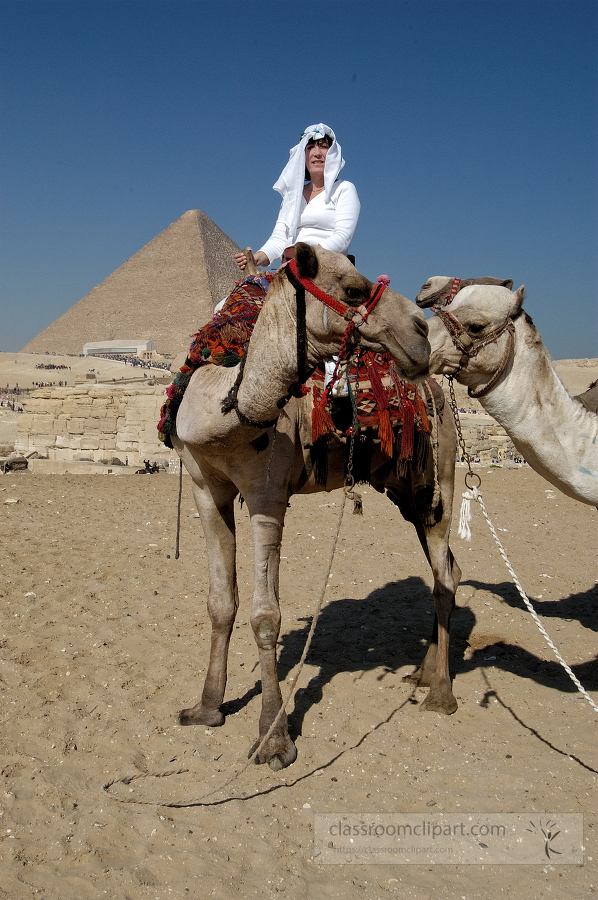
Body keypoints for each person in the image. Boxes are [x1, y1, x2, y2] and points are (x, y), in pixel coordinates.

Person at [234, 123, 360, 272]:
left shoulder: (344, 189)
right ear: (303, 155)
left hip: (326, 268)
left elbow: (342, 238)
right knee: (240, 295)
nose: (317, 153)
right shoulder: (292, 196)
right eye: (310, 147)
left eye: (324, 146)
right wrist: (255, 258)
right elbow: (279, 239)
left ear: (333, 153)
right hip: (289, 268)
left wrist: (301, 260)